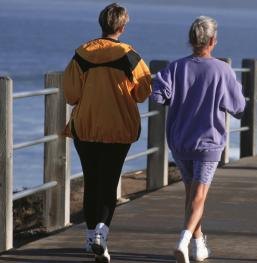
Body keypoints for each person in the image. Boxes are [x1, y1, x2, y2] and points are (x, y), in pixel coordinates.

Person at [151, 16, 246, 263]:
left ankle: (198, 244)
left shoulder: (175, 68)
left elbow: (158, 96)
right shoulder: (222, 70)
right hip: (208, 142)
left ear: (191, 40)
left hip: (181, 141)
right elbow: (238, 106)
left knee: (192, 195)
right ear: (213, 40)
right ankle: (183, 240)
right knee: (199, 195)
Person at [63, 3, 152, 262]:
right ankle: (102, 234)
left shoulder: (81, 54)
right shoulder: (131, 56)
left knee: (91, 181)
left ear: (101, 24)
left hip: (86, 127)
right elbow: (142, 93)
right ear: (122, 27)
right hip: (118, 129)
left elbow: (71, 95)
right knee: (109, 182)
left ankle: (91, 238)